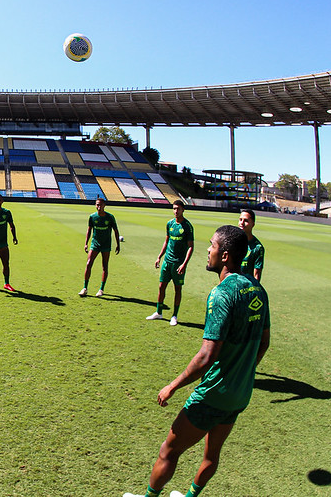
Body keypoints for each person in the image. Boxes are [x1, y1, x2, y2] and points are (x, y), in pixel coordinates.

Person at [124, 225, 270, 497]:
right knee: (212, 454)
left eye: (212, 245)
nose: (208, 250)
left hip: (214, 393)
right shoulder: (258, 290)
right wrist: (242, 370)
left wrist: (173, 386)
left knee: (169, 451)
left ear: (225, 256)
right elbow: (264, 342)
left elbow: (206, 355)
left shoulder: (223, 293)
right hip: (240, 394)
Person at [147, 200, 194, 326]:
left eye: (178, 208)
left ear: (183, 210)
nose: (176, 211)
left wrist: (184, 264)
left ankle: (174, 315)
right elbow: (166, 241)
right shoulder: (170, 224)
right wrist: (159, 257)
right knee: (161, 286)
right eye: (174, 208)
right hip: (167, 261)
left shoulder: (187, 226)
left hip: (178, 263)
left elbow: (191, 247)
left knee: (177, 289)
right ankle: (159, 312)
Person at [79, 197, 120, 297]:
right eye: (97, 204)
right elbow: (89, 230)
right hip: (95, 244)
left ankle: (101, 289)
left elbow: (116, 230)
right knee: (88, 264)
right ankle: (85, 288)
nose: (98, 207)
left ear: (104, 205)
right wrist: (86, 243)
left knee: (105, 266)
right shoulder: (92, 217)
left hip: (106, 244)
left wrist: (118, 245)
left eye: (100, 205)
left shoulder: (110, 217)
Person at [238, 209, 264, 281]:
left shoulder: (258, 247)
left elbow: (257, 275)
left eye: (245, 221)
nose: (242, 223)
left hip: (246, 286)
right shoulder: (233, 241)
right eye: (240, 220)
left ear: (253, 224)